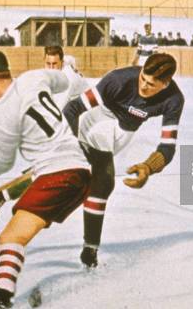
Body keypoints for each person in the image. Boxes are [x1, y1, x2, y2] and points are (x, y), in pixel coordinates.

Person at [0, 50, 92, 309]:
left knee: (10, 236)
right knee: (13, 234)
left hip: (58, 174)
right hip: (80, 170)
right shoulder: (33, 78)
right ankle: (2, 285)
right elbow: (65, 81)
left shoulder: (3, 112)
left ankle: (2, 297)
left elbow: (2, 162)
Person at [63, 53, 185, 267]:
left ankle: (89, 249)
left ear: (165, 85)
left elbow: (168, 146)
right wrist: (72, 145)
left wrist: (149, 166)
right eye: (143, 79)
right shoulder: (118, 80)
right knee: (100, 181)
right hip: (96, 121)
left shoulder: (174, 99)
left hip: (122, 133)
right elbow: (72, 109)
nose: (144, 87)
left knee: (95, 181)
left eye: (152, 84)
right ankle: (90, 250)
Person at [0, 45, 89, 226]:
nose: (51, 67)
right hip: (69, 124)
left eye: (55, 64)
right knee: (49, 169)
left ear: (61, 62)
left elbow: (53, 112)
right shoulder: (50, 74)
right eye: (48, 63)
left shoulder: (68, 78)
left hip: (84, 125)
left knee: (54, 168)